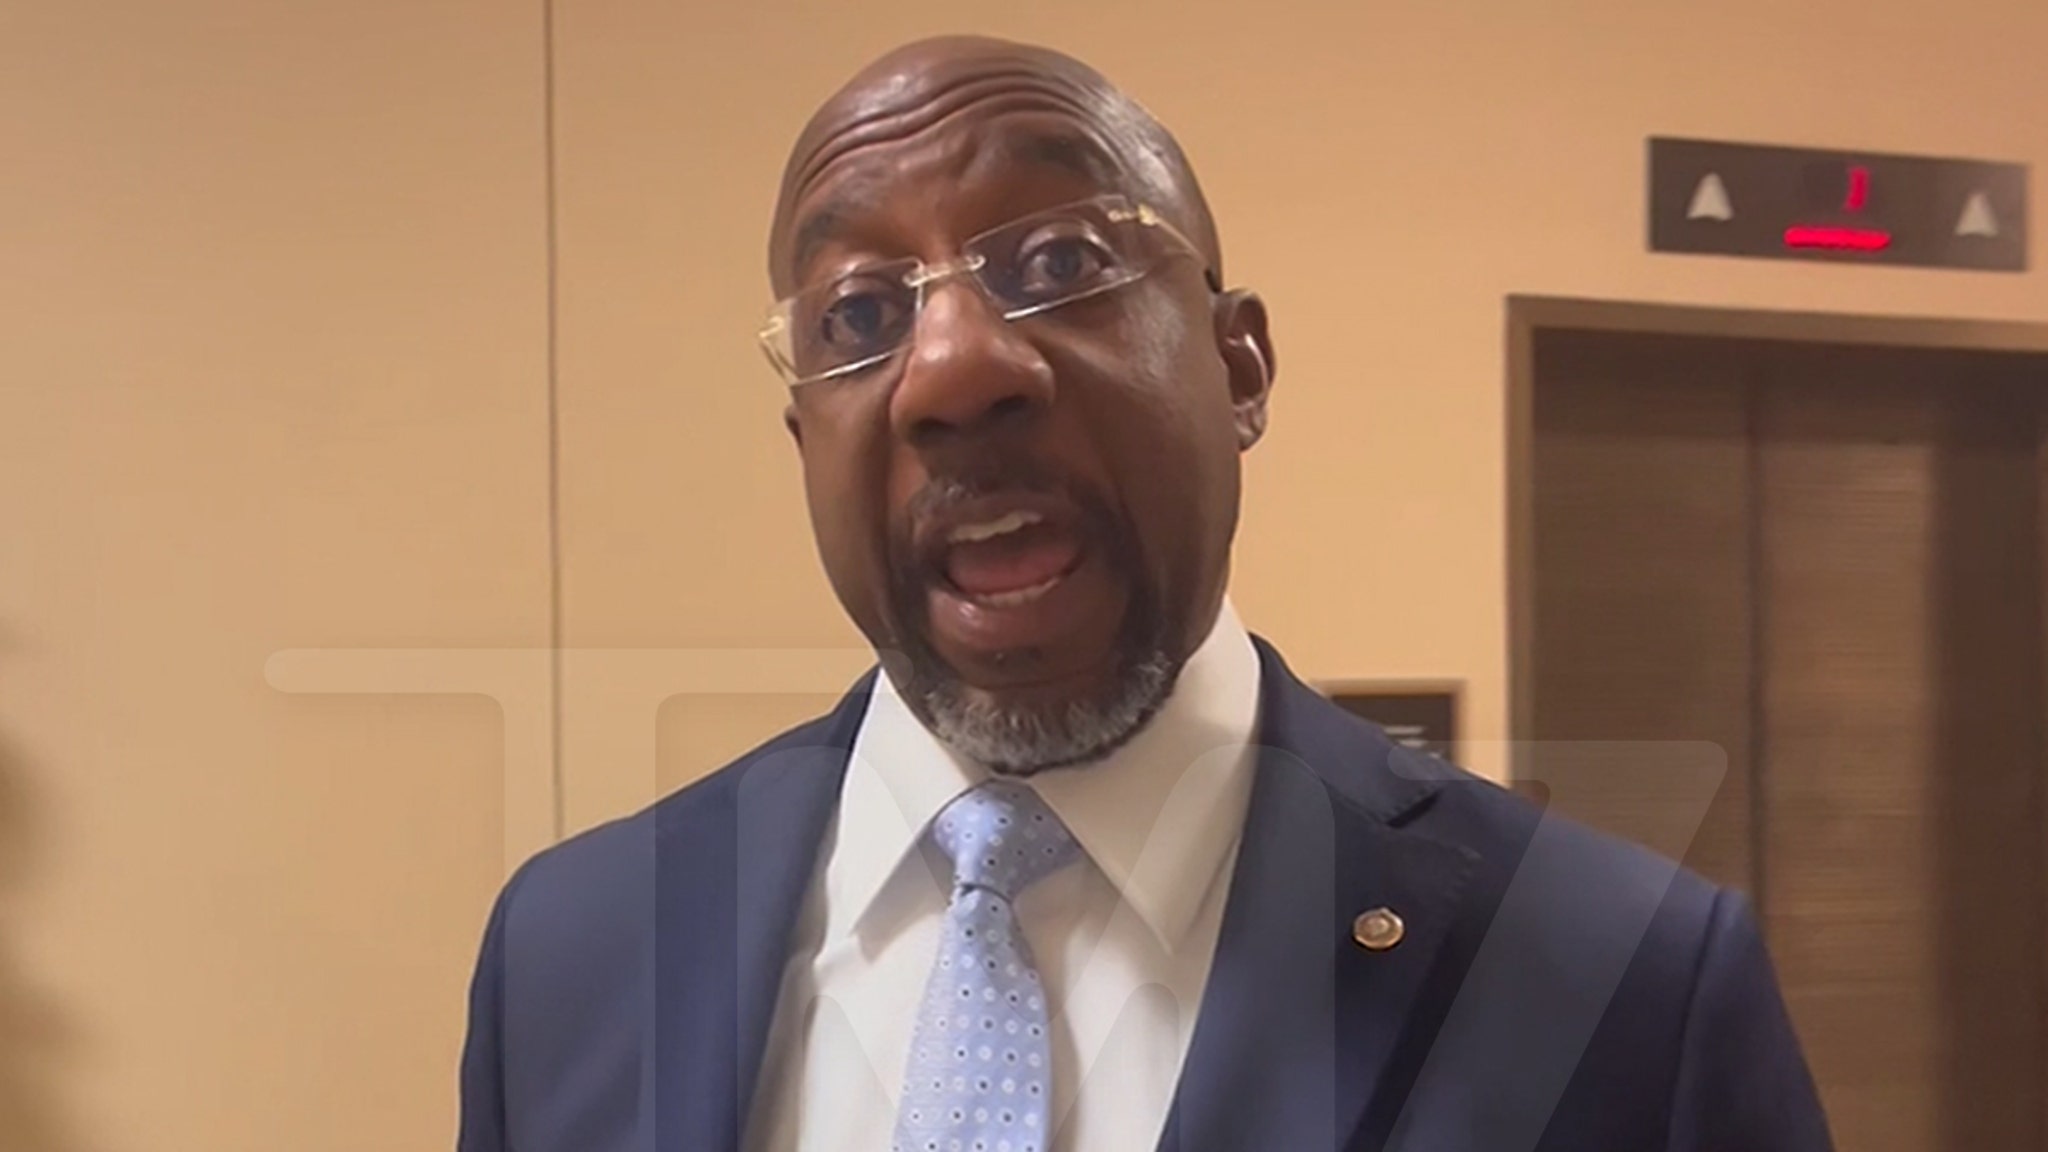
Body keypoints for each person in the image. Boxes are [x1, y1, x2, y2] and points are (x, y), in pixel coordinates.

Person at [456, 35, 1833, 1152]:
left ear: (1239, 371)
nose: (952, 372)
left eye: (1060, 264)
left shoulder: (1625, 985)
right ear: (803, 440)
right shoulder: (574, 955)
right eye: (862, 317)